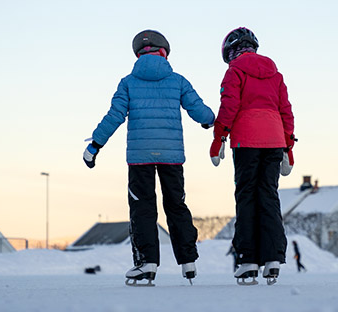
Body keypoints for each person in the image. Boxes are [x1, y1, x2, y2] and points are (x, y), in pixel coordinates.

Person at [84, 30, 214, 285]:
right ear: (164, 52)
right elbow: (199, 111)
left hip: (140, 157)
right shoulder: (177, 80)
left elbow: (114, 115)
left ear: (138, 54)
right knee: (176, 205)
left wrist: (95, 145)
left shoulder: (128, 82)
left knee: (143, 208)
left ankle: (147, 263)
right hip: (172, 156)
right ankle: (188, 261)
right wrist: (211, 122)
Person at [209, 27, 294, 285]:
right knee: (268, 196)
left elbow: (229, 105)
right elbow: (286, 111)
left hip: (246, 141)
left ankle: (247, 261)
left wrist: (218, 138)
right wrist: (289, 148)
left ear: (231, 52)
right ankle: (273, 259)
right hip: (274, 141)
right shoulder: (275, 75)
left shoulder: (234, 71)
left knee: (246, 196)